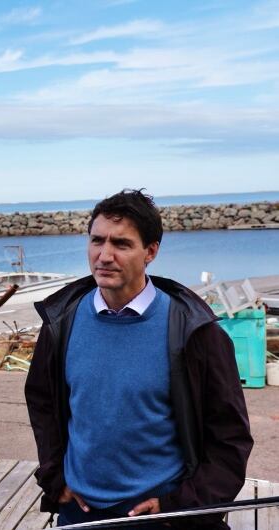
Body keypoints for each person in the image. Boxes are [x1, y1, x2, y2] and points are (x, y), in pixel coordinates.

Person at [25, 189, 253, 529]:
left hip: (162, 515)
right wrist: (55, 476)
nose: (104, 255)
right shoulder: (62, 322)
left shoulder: (194, 331)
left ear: (151, 251)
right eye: (97, 240)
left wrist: (182, 504)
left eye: (121, 244)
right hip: (80, 513)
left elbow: (230, 436)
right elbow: (42, 403)